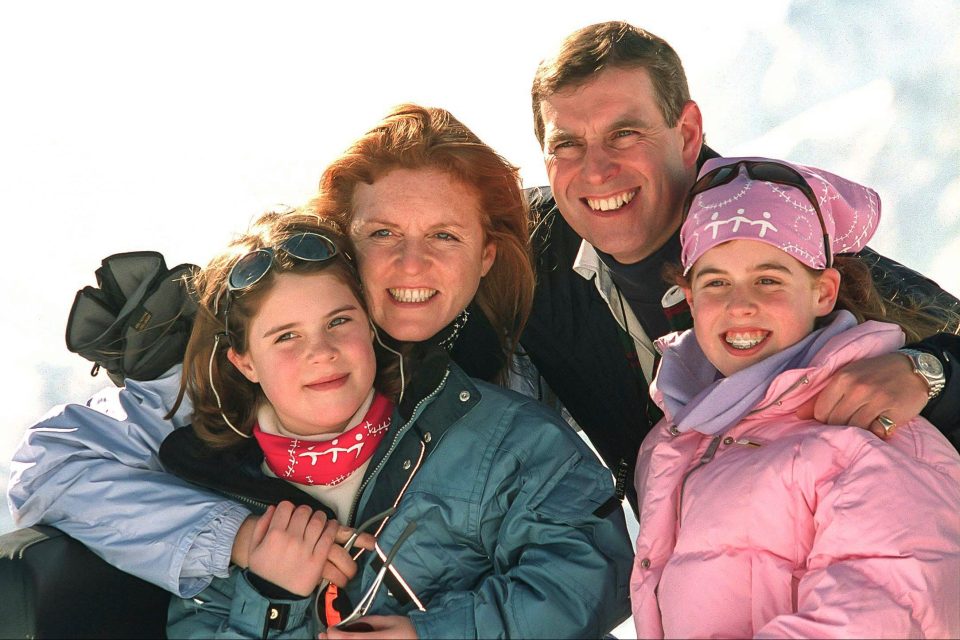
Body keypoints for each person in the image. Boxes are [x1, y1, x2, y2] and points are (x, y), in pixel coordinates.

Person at [8, 105, 632, 638]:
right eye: (383, 232)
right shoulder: (228, 394)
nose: (411, 265)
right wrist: (243, 546)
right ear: (343, 241)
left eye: (443, 236)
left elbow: (585, 566)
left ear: (485, 252)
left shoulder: (506, 405)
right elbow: (49, 465)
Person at [520, 21, 960, 510]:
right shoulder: (529, 256)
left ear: (686, 133)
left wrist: (928, 370)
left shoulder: (771, 224)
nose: (596, 170)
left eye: (624, 134)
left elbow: (946, 326)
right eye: (567, 144)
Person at [158, 209, 630, 638]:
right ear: (244, 362)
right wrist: (268, 596)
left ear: (370, 322)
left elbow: (592, 578)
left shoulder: (504, 436)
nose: (321, 351)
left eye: (338, 321)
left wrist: (436, 634)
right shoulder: (218, 504)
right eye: (286, 337)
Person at [630, 156, 960, 638]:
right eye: (716, 282)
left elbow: (885, 609)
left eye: (769, 280)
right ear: (690, 299)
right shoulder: (678, 437)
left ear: (823, 293)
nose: (740, 304)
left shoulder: (871, 427)